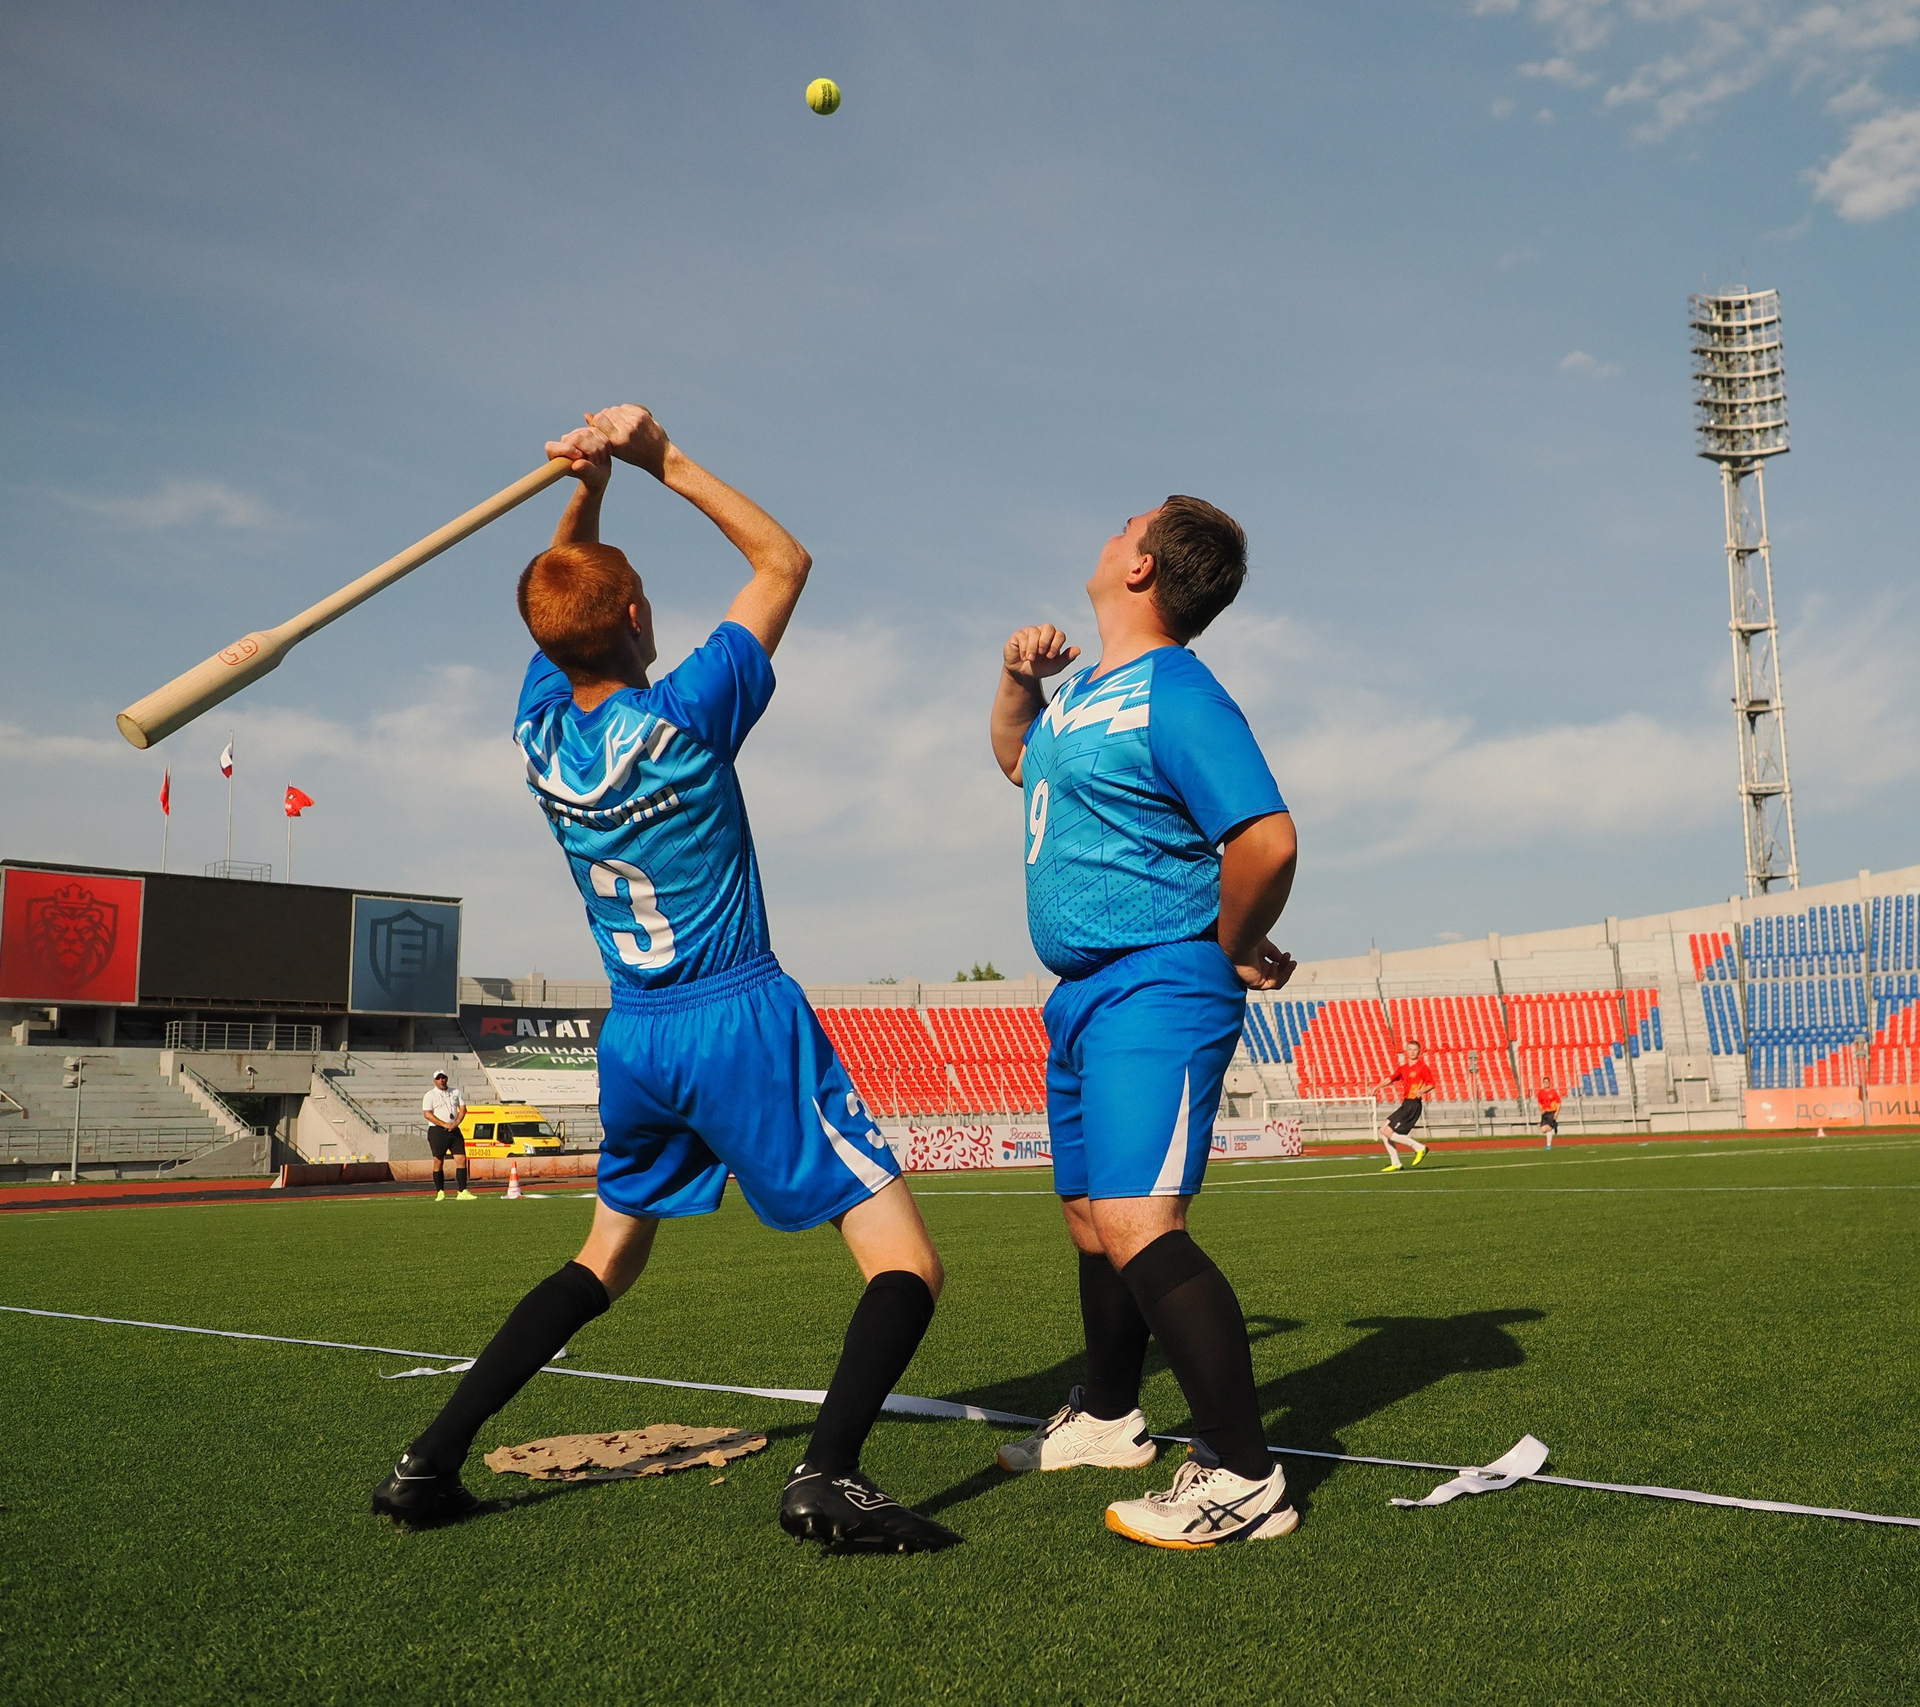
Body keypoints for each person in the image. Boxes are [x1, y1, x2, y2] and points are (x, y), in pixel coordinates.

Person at [371, 406, 957, 1555]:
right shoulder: (687, 717)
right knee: (907, 1263)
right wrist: (657, 460)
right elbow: (783, 560)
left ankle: (426, 1462)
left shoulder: (538, 731)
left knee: (606, 1256)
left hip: (635, 1034)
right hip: (738, 1015)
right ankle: (828, 1474)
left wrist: (582, 489)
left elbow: (560, 604)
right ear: (638, 615)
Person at [986, 496, 1301, 1549]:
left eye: (1126, 525)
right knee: (1089, 1218)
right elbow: (1016, 762)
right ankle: (1111, 1416)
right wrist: (1017, 686)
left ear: (1144, 568)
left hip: (1154, 985)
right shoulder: (1083, 696)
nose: (1108, 529)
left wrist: (1220, 942)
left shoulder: (1177, 690)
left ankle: (1246, 1478)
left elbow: (1265, 837)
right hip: (1080, 996)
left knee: (1138, 1224)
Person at [1374, 1040, 1434, 1172]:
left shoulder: (1422, 1067)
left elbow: (1431, 1084)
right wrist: (1377, 1087)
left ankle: (1419, 1148)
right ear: (1406, 1051)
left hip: (1413, 1104)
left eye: (1415, 1050)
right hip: (1406, 1103)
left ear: (1419, 1052)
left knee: (1388, 1132)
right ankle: (1396, 1163)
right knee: (1383, 1130)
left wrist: (1422, 1091)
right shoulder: (1403, 1068)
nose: (1412, 1052)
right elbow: (1390, 1078)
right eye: (1410, 1049)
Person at [423, 1071, 471, 1200]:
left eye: (443, 1077)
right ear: (434, 1080)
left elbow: (463, 1109)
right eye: (438, 1078)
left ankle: (463, 1191)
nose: (441, 1080)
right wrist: (444, 1124)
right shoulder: (430, 1095)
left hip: (454, 1129)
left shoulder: (455, 1092)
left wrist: (455, 1123)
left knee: (461, 1159)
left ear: (446, 1078)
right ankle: (440, 1191)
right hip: (437, 1131)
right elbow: (427, 1114)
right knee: (438, 1161)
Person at [1535, 1078, 1562, 1150]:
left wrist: (1556, 1113)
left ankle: (1548, 1146)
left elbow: (1559, 1102)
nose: (1546, 1083)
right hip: (1545, 1113)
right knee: (1544, 1130)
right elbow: (1539, 1103)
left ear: (1549, 1083)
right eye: (1545, 1082)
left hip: (1552, 1112)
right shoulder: (1541, 1092)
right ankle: (1554, 1125)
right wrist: (1541, 1110)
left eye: (1547, 1082)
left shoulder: (1553, 1092)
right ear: (1543, 1083)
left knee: (1548, 1129)